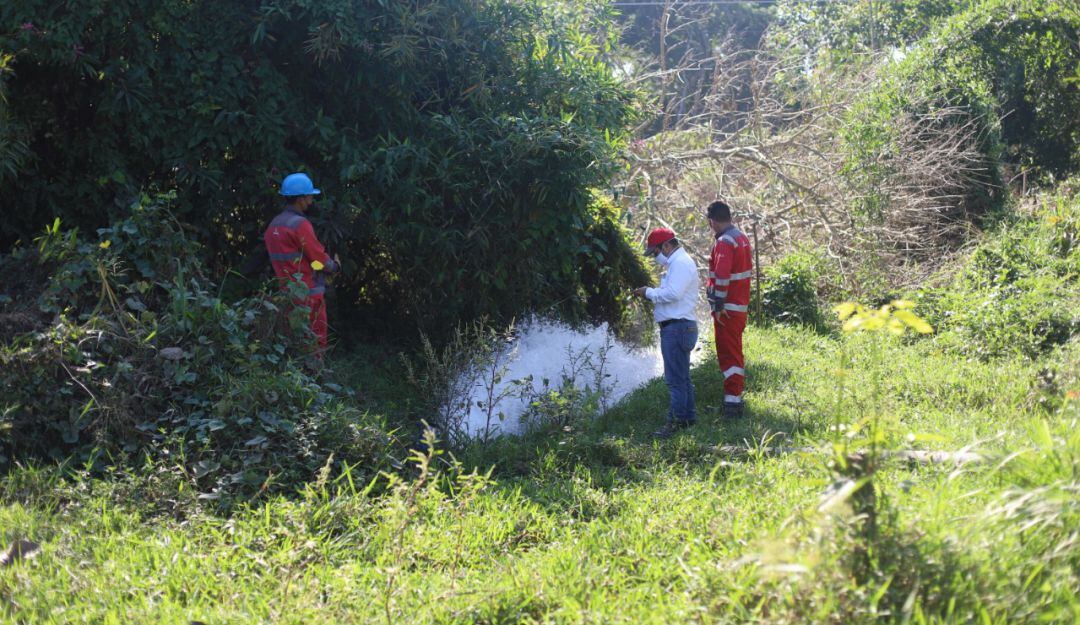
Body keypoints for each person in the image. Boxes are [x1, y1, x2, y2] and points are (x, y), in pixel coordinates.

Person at [633, 228, 700, 438]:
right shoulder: (678, 263)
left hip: (677, 328)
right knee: (683, 377)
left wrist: (648, 292)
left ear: (667, 246)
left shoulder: (680, 263)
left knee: (674, 380)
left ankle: (676, 422)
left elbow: (673, 293)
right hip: (680, 327)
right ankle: (688, 418)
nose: (655, 257)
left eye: (655, 252)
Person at [264, 172, 339, 357]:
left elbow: (300, 259)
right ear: (301, 198)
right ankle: (316, 379)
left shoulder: (274, 225)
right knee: (315, 340)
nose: (312, 201)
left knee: (294, 341)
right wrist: (334, 267)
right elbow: (316, 259)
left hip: (287, 294)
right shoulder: (299, 224)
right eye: (310, 196)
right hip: (309, 294)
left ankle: (299, 382)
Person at [705, 200, 753, 418]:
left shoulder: (724, 242)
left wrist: (718, 304)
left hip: (728, 309)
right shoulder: (740, 238)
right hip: (739, 306)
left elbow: (722, 276)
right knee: (734, 351)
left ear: (712, 222)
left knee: (728, 354)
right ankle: (733, 400)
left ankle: (732, 405)